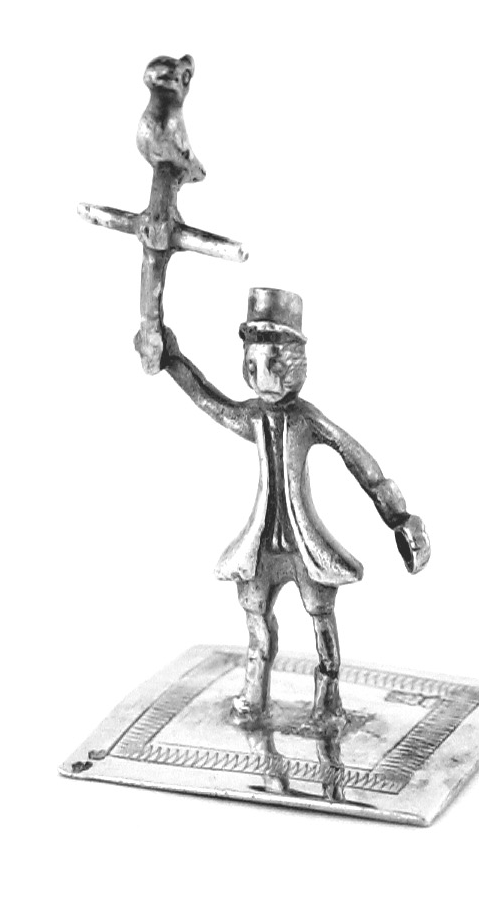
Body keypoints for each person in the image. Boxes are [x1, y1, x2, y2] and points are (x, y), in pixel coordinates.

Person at [158, 287, 429, 727]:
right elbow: (207, 398)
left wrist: (400, 518)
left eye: (273, 364)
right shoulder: (252, 416)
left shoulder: (307, 420)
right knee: (256, 624)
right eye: (252, 365)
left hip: (306, 549)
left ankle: (327, 701)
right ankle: (253, 697)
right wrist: (170, 358)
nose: (262, 378)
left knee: (321, 619)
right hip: (259, 549)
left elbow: (358, 459)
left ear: (296, 362)